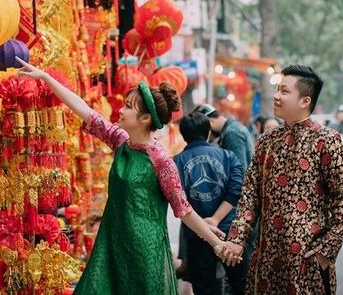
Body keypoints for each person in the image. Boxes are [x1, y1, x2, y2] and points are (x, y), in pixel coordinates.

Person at [17, 59, 230, 295]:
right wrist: (47, 78)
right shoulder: (120, 141)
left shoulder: (160, 160)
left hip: (144, 253)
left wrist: (216, 243)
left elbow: (184, 210)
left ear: (145, 119)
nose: (121, 109)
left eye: (129, 106)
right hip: (112, 244)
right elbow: (85, 110)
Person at [217, 65, 343, 294]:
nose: (277, 96)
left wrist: (326, 250)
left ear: (304, 101)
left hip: (307, 260)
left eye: (285, 91)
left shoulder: (327, 140)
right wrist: (238, 238)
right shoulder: (267, 140)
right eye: (278, 90)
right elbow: (250, 193)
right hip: (266, 257)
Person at [174, 112, 247, 295]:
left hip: (196, 233)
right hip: (228, 231)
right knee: (240, 283)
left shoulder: (176, 162)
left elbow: (179, 200)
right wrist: (215, 219)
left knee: (204, 287)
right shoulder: (228, 157)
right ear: (208, 132)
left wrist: (204, 224)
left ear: (183, 135)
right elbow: (236, 190)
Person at [193, 104, 253, 170]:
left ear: (209, 122)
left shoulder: (231, 133)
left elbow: (239, 170)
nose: (208, 135)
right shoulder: (233, 128)